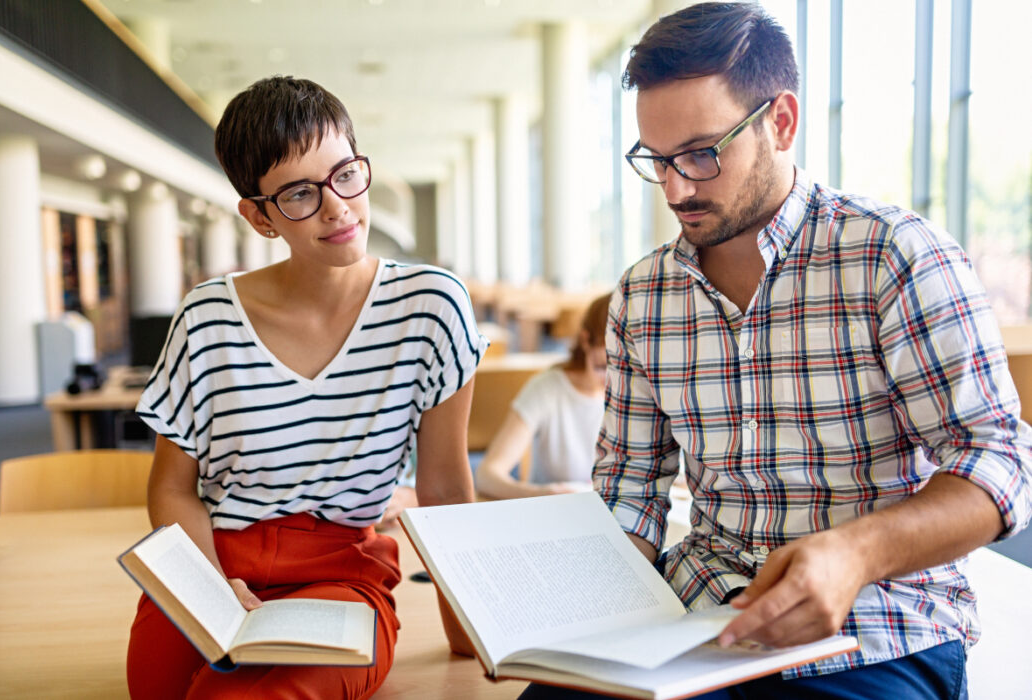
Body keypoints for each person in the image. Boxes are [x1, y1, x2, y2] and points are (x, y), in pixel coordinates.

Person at [523, 3, 1032, 699]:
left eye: (703, 153)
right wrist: (574, 621)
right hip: (697, 620)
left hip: (878, 630)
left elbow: (1001, 462)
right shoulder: (644, 295)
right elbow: (629, 494)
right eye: (657, 160)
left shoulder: (894, 257)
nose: (676, 188)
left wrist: (854, 552)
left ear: (781, 122)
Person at [126, 76, 486, 699]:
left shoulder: (432, 305)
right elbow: (171, 487)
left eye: (345, 173)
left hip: (343, 574)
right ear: (260, 217)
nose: (338, 206)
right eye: (299, 193)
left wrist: (470, 631)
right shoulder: (208, 316)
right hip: (216, 560)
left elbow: (447, 486)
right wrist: (213, 588)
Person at [474, 294, 611, 500]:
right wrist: (540, 494)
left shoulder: (639, 394)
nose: (613, 381)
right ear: (585, 341)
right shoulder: (547, 389)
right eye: (602, 367)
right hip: (555, 514)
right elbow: (486, 475)